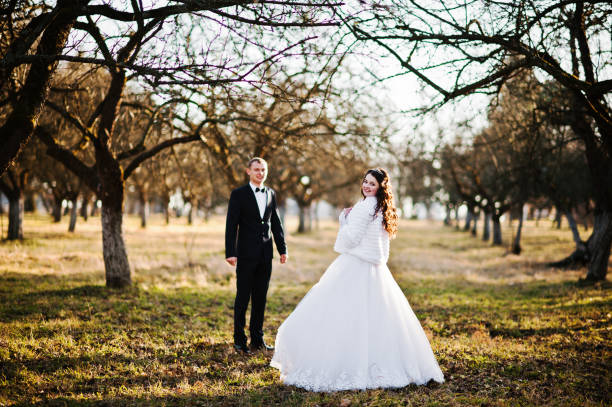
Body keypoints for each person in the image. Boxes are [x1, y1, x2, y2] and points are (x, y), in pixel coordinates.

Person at [270, 168, 444, 391]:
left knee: (340, 314)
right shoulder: (384, 208)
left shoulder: (364, 207)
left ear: (380, 187)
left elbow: (350, 239)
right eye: (365, 182)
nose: (367, 186)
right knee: (378, 319)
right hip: (376, 270)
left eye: (372, 183)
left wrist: (345, 219)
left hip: (356, 266)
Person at [225, 157, 288, 354]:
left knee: (260, 297)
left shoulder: (271, 193)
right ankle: (239, 340)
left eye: (263, 170)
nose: (260, 173)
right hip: (245, 254)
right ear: (248, 172)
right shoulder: (238, 194)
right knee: (243, 297)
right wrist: (230, 252)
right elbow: (231, 225)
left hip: (265, 255)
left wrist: (282, 248)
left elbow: (275, 223)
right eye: (257, 169)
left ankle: (258, 340)